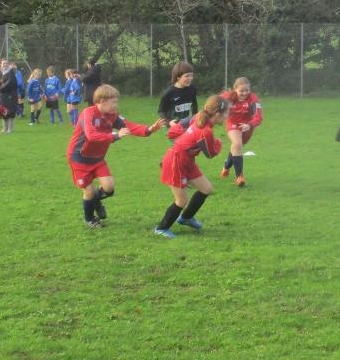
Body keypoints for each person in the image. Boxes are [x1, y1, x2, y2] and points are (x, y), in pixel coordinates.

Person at [67, 84, 164, 229]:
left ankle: (95, 201)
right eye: (113, 102)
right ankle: (89, 219)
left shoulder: (112, 116)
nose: (116, 105)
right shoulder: (89, 113)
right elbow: (91, 135)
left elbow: (128, 126)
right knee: (88, 191)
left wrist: (148, 129)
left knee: (109, 187)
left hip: (97, 158)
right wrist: (115, 136)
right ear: (102, 101)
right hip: (79, 157)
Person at [155, 94, 228, 238]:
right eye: (226, 113)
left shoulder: (198, 118)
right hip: (176, 161)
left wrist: (182, 134)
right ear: (218, 114)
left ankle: (186, 218)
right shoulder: (205, 130)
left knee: (206, 189)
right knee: (181, 200)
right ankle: (161, 228)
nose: (227, 117)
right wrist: (218, 144)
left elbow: (172, 133)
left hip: (187, 160)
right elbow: (210, 154)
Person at [220, 77, 263, 187]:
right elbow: (214, 103)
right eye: (241, 91)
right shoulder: (227, 96)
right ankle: (240, 177)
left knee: (236, 147)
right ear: (235, 89)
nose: (244, 93)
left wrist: (249, 125)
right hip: (233, 123)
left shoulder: (253, 99)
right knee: (237, 145)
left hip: (247, 126)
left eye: (247, 90)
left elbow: (258, 116)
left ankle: (226, 167)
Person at [157, 61, 198, 133]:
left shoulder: (192, 89)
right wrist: (169, 122)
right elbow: (161, 111)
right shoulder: (169, 93)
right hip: (172, 128)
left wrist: (196, 119)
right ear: (178, 77)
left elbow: (194, 106)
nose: (190, 78)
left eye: (191, 75)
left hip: (186, 125)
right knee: (183, 144)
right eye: (187, 76)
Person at [0, 58, 20, 135]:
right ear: (1, 65)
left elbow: (10, 83)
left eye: (6, 63)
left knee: (10, 111)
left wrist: (0, 88)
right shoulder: (0, 73)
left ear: (8, 64)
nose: (5, 64)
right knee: (3, 111)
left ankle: (10, 129)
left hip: (11, 94)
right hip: (3, 95)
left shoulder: (11, 73)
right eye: (3, 63)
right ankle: (4, 128)